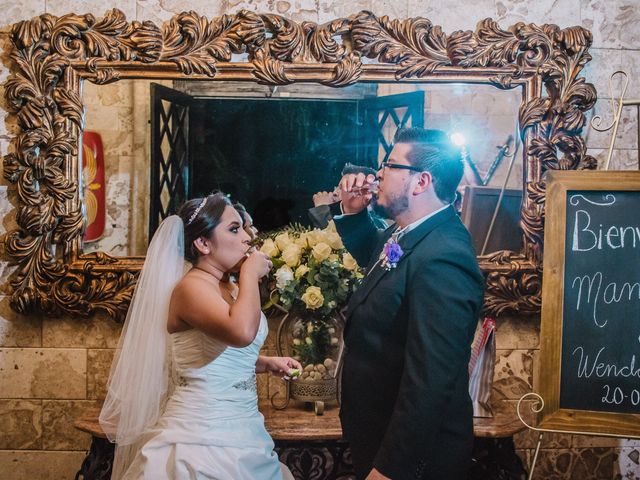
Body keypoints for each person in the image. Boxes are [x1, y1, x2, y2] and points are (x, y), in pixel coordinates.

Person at [99, 192, 300, 479]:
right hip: (199, 436)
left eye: (243, 228)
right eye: (234, 229)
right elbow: (241, 332)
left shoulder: (227, 287)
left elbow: (216, 353)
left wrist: (266, 363)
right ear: (203, 243)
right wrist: (249, 276)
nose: (247, 237)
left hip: (244, 430)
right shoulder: (190, 288)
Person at [334, 128, 485, 480]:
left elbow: (430, 379)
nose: (378, 174)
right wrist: (354, 214)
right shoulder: (405, 232)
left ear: (421, 181)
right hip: (378, 432)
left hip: (412, 462)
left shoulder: (445, 256)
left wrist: (390, 469)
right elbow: (384, 272)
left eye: (389, 165)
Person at [308, 164, 388, 229]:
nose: (334, 193)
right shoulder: (340, 216)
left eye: (344, 187)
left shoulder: (378, 223)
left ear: (365, 190)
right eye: (337, 187)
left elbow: (346, 244)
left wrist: (322, 211)